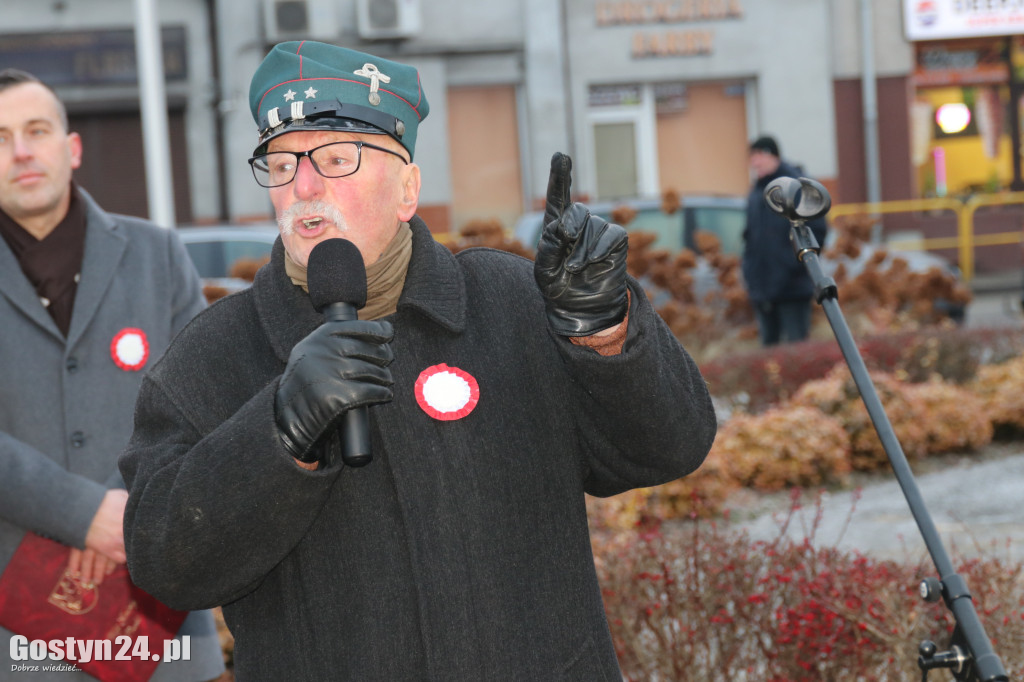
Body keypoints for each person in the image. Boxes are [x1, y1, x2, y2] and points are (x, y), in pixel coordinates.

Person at [119, 41, 716, 681]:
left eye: (337, 158)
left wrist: (601, 331)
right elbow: (165, 564)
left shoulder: (510, 302)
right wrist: (278, 431)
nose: (305, 185)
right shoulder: (214, 355)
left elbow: (670, 448)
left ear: (408, 187)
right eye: (283, 162)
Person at [0, 69, 224, 681]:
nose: (20, 151)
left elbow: (201, 395)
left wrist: (125, 512)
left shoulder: (156, 253)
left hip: (155, 598)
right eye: (0, 137)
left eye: (36, 130)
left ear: (70, 148)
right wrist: (83, 511)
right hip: (17, 621)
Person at [741, 135, 828, 346]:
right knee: (770, 354)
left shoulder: (794, 187)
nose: (755, 162)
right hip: (763, 289)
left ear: (773, 156)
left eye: (759, 155)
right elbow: (751, 237)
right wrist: (750, 272)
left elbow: (817, 229)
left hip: (792, 288)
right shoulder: (756, 192)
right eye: (752, 157)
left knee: (796, 349)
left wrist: (794, 266)